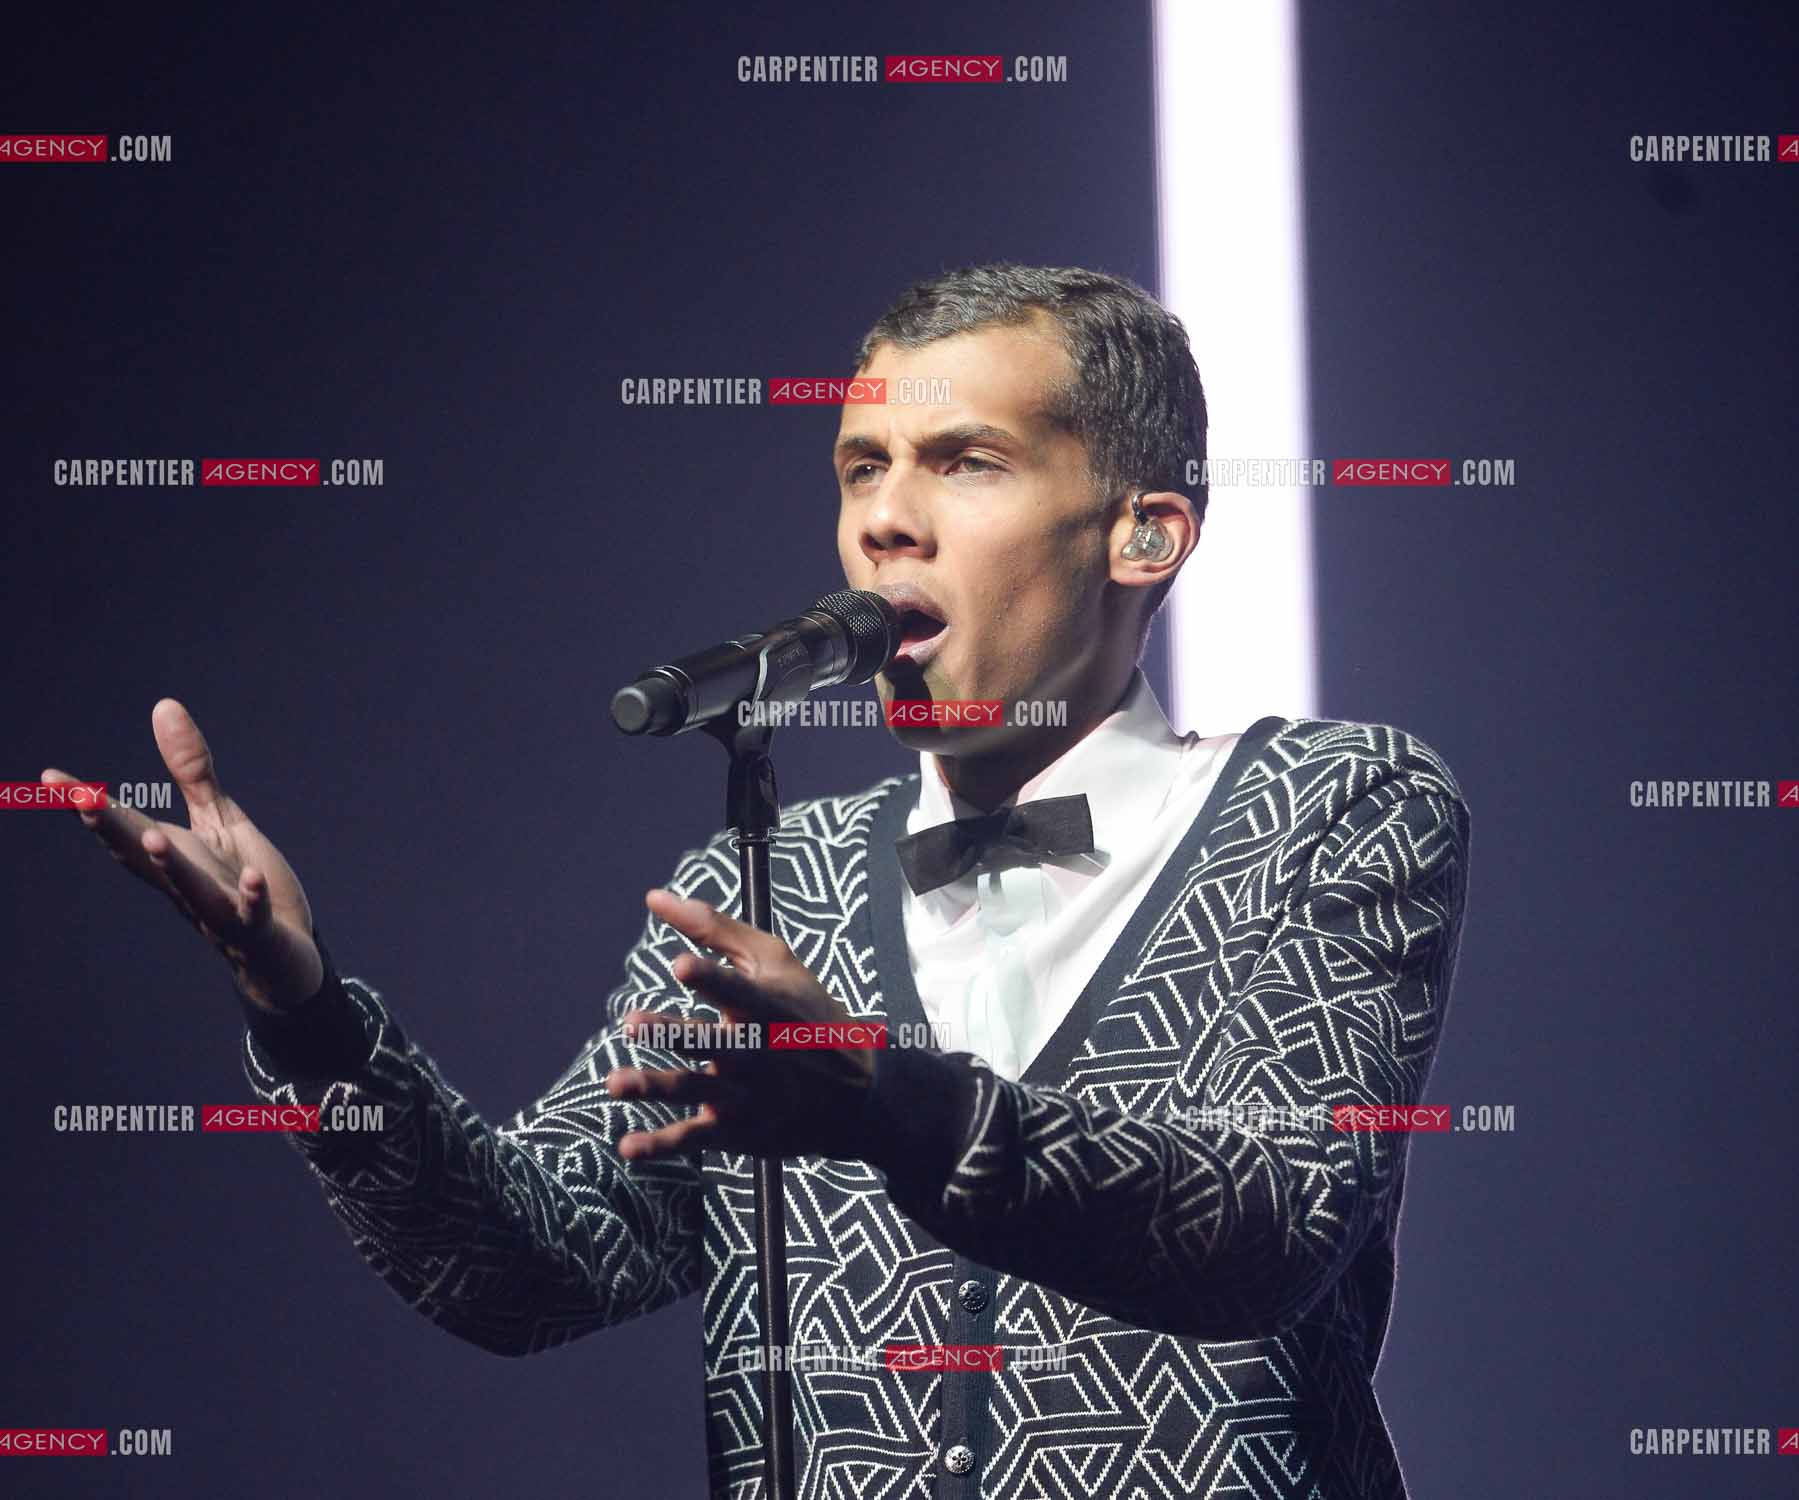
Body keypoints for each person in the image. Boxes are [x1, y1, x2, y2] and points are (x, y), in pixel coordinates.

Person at [45, 263, 1472, 1499]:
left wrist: (879, 1102)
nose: (885, 523)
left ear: (1143, 534)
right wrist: (307, 1015)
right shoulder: (764, 881)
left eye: (965, 462)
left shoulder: (1328, 804)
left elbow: (1268, 1228)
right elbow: (531, 1262)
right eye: (863, 469)